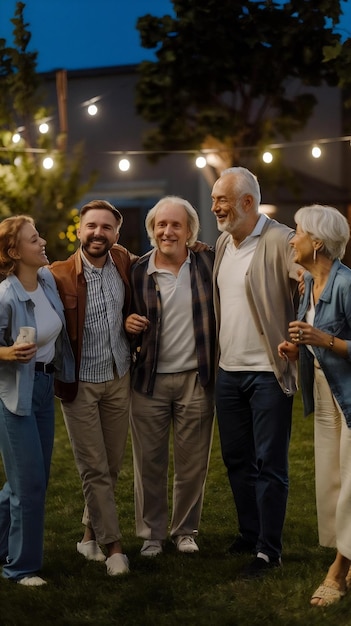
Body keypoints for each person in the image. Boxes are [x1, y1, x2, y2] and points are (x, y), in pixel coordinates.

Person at [211, 166, 301, 579]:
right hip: (228, 372)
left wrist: (299, 338)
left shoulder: (282, 240)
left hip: (268, 372)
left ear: (247, 202)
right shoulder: (223, 244)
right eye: (214, 199)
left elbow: (310, 286)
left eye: (222, 200)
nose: (215, 207)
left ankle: (269, 550)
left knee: (270, 463)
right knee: (236, 459)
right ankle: (250, 533)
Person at [125, 196, 215, 557]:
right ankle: (151, 533)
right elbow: (124, 316)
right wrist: (128, 324)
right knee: (149, 461)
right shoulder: (137, 271)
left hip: (197, 377)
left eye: (176, 225)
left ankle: (185, 530)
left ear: (190, 231)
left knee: (193, 461)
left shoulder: (207, 263)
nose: (167, 231)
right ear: (152, 230)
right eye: (161, 225)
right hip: (149, 380)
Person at [50, 200, 133, 576]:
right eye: (91, 226)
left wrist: (197, 246)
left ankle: (87, 538)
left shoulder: (123, 261)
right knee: (94, 468)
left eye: (106, 227)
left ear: (116, 233)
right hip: (80, 384)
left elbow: (164, 252)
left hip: (119, 378)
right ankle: (114, 548)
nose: (98, 233)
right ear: (80, 230)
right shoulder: (59, 274)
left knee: (111, 467)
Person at [277, 204, 351, 606]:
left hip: (349, 399)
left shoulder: (346, 285)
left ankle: (338, 571)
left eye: (299, 232)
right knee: (333, 481)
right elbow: (316, 338)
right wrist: (297, 348)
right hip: (325, 396)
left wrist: (321, 340)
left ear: (317, 242)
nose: (292, 238)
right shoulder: (309, 283)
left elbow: (331, 339)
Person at [0, 215, 74, 586]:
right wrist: (7, 354)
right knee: (28, 485)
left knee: (30, 481)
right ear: (14, 252)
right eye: (34, 240)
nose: (43, 241)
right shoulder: (6, 295)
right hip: (16, 393)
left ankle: (3, 544)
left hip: (45, 387)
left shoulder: (45, 280)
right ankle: (20, 568)